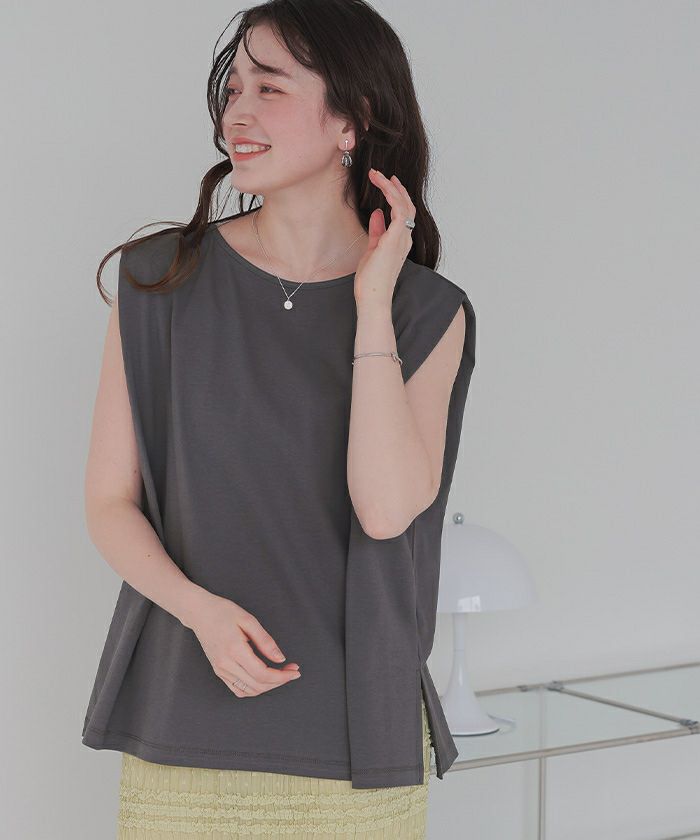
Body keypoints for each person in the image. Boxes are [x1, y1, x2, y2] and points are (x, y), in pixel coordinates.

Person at [83, 1, 477, 837]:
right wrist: (198, 611)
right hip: (182, 721)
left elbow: (384, 509)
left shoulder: (425, 311)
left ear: (352, 119)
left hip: (355, 741)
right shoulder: (159, 280)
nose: (239, 110)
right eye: (234, 88)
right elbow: (110, 503)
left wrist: (372, 305)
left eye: (271, 87)